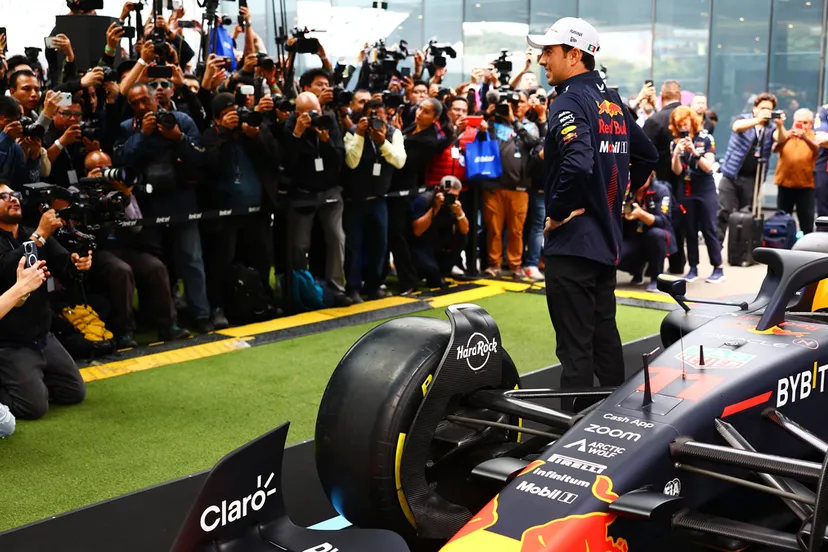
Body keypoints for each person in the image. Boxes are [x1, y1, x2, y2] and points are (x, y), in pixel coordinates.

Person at [527, 17, 658, 411]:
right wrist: (615, 197)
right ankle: (619, 426)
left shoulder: (567, 100)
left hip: (574, 244)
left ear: (574, 54)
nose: (541, 60)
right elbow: (648, 155)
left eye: (548, 52)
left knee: (575, 350)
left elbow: (580, 162)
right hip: (605, 242)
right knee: (604, 339)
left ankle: (573, 437)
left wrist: (557, 212)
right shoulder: (611, 100)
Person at [114, 82, 213, 333]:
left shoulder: (181, 120)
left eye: (143, 100)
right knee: (157, 265)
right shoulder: (128, 128)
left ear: (155, 99)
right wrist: (142, 137)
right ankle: (162, 319)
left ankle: (201, 314)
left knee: (192, 259)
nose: (140, 106)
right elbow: (121, 165)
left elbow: (202, 158)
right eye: (134, 103)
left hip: (182, 200)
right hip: (147, 205)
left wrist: (177, 137)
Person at [0, 183, 90, 420]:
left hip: (43, 336)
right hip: (8, 343)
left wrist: (79, 263)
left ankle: (30, 379)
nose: (13, 199)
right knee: (33, 409)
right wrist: (38, 237)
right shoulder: (36, 235)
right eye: (4, 196)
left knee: (74, 392)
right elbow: (5, 269)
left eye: (15, 195)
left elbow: (66, 270)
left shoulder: (32, 232)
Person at [202, 93, 281, 321]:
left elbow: (275, 157)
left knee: (262, 260)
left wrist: (256, 136)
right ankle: (219, 308)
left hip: (257, 210)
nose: (235, 118)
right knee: (222, 263)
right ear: (217, 118)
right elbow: (212, 166)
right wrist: (225, 134)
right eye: (228, 114)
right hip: (226, 213)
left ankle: (262, 304)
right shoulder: (211, 135)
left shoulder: (251, 131)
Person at [283, 91, 350, 303]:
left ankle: (337, 287)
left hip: (330, 190)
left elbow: (340, 159)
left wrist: (327, 141)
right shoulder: (291, 124)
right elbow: (288, 163)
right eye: (307, 112)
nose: (313, 115)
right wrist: (297, 133)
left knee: (336, 236)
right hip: (303, 192)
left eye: (316, 111)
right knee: (300, 244)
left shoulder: (328, 120)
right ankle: (300, 290)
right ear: (297, 113)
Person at [342, 99, 406, 303]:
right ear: (363, 116)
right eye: (372, 115)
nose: (377, 119)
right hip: (354, 200)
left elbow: (399, 161)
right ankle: (352, 288)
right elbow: (351, 162)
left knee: (379, 246)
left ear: (387, 115)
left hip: (379, 200)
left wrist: (382, 143)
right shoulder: (352, 132)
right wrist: (360, 135)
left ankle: (374, 286)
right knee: (353, 246)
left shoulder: (393, 133)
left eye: (380, 114)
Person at [716, 93, 782, 243]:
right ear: (754, 108)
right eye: (762, 108)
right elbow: (736, 127)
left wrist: (780, 125)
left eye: (769, 109)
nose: (765, 112)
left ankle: (740, 250)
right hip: (731, 174)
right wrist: (757, 120)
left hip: (753, 177)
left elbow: (781, 139)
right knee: (723, 211)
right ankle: (717, 248)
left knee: (746, 214)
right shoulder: (743, 119)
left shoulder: (771, 127)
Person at [669, 106, 723, 283]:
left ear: (692, 120)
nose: (682, 127)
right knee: (689, 229)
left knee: (709, 228)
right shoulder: (675, 141)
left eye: (684, 123)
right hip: (686, 189)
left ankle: (718, 267)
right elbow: (676, 171)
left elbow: (709, 167)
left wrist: (694, 152)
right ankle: (693, 267)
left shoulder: (706, 138)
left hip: (705, 188)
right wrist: (676, 153)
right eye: (679, 124)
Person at [643, 80, 685, 273]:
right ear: (680, 96)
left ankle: (654, 266)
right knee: (681, 222)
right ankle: (679, 264)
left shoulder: (656, 121)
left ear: (661, 97)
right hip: (688, 181)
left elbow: (643, 152)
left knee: (661, 219)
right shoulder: (689, 117)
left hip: (660, 179)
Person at [618, 174, 676, 291]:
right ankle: (636, 270)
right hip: (633, 236)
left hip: (655, 236)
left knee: (656, 235)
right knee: (614, 254)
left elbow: (663, 221)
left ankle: (656, 277)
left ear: (650, 175)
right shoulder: (627, 190)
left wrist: (641, 214)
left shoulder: (661, 190)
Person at [410, 176, 469, 287]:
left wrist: (459, 213)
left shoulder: (455, 205)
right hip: (420, 245)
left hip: (440, 246)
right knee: (432, 273)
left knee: (463, 236)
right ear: (438, 190)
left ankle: (442, 270)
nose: (450, 198)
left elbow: (465, 230)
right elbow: (417, 231)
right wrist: (435, 208)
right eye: (448, 195)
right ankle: (422, 272)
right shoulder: (424, 200)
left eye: (455, 196)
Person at [773, 108, 818, 234]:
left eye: (805, 122)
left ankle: (806, 249)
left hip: (806, 185)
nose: (802, 125)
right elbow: (775, 148)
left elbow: (817, 149)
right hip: (785, 184)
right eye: (799, 122)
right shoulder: (786, 134)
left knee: (806, 220)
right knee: (782, 219)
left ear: (811, 124)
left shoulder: (814, 137)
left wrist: (805, 138)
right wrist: (787, 137)